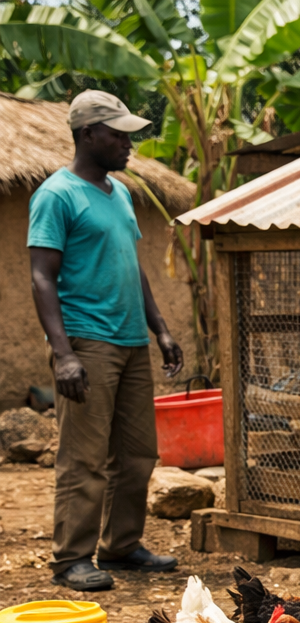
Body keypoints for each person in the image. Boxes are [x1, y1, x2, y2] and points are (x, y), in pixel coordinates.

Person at [28, 90, 183, 592]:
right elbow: (42, 277)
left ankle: (121, 545)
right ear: (87, 135)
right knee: (85, 457)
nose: (128, 143)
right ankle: (72, 557)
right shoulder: (57, 195)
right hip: (86, 341)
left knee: (138, 453)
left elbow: (132, 267)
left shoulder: (118, 194)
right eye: (118, 134)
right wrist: (65, 355)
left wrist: (159, 329)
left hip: (131, 340)